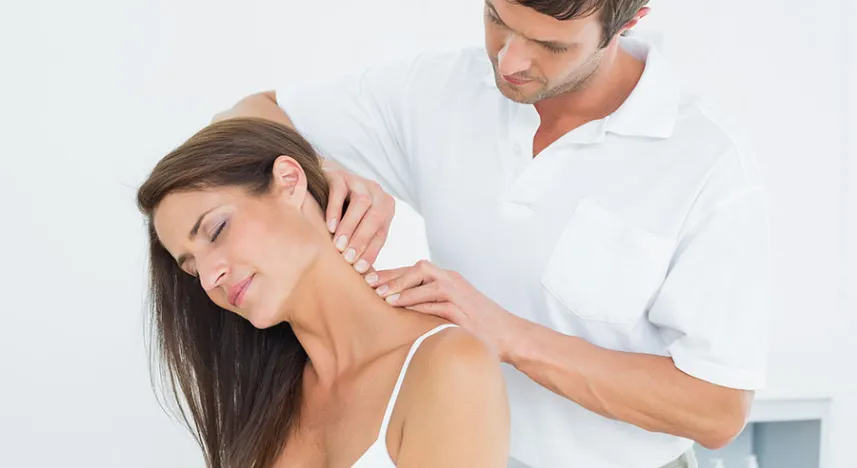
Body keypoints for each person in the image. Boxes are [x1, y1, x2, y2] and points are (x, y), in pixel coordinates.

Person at [214, 1, 772, 467]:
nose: (510, 61)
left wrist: (508, 336)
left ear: (629, 22)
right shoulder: (441, 90)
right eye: (496, 19)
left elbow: (718, 410)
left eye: (550, 46)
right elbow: (244, 117)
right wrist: (325, 168)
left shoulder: (707, 162)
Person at [136, 117, 510, 468]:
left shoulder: (447, 366)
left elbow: (257, 103)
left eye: (217, 230)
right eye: (192, 267)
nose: (208, 278)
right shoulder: (267, 402)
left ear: (289, 181)